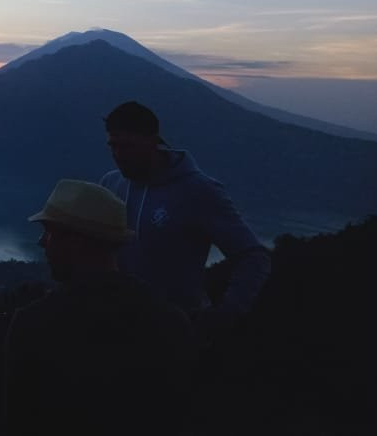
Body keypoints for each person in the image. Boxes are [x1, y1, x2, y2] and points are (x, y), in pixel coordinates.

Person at [3, 180, 196, 436]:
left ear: (76, 241)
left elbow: (14, 421)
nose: (42, 242)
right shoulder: (171, 324)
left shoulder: (34, 326)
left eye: (49, 232)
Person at [100, 101, 271, 339]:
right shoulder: (111, 184)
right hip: (118, 329)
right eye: (113, 146)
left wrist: (226, 314)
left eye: (128, 146)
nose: (118, 155)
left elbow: (253, 256)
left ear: (152, 141)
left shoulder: (198, 190)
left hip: (177, 333)